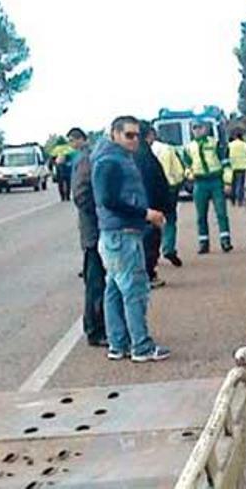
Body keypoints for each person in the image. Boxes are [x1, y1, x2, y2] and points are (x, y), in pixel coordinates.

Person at [91, 115, 169, 362]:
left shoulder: (116, 158)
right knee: (134, 290)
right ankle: (141, 347)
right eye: (129, 135)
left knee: (114, 289)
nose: (134, 140)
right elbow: (109, 200)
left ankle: (118, 344)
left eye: (136, 135)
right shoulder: (110, 162)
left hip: (117, 234)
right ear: (115, 134)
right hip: (122, 235)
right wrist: (146, 213)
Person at [70, 127, 106, 347]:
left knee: (98, 281)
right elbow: (81, 195)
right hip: (94, 232)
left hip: (95, 230)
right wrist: (101, 213)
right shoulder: (86, 160)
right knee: (95, 283)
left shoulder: (87, 157)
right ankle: (94, 329)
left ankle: (98, 326)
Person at [184, 121, 233, 253]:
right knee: (201, 215)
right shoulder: (189, 147)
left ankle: (225, 240)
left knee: (221, 212)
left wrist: (228, 182)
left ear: (205, 128)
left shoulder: (215, 143)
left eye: (200, 127)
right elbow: (187, 166)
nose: (197, 130)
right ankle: (203, 243)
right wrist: (189, 174)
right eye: (194, 128)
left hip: (216, 181)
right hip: (200, 183)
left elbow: (226, 164)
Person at [135, 121, 171, 289]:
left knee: (149, 242)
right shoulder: (143, 155)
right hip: (150, 208)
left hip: (148, 206)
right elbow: (150, 182)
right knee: (150, 242)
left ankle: (148, 272)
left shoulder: (141, 153)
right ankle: (148, 274)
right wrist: (154, 209)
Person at [151, 129, 186, 267]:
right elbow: (178, 170)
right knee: (170, 219)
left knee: (152, 223)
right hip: (169, 189)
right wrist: (178, 183)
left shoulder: (138, 152)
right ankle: (168, 248)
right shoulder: (167, 149)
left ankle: (153, 254)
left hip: (151, 190)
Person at [228, 130, 246, 206]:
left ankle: (233, 200)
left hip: (232, 166)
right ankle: (240, 201)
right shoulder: (245, 144)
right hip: (243, 166)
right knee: (240, 184)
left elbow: (226, 154)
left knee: (233, 184)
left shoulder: (230, 145)